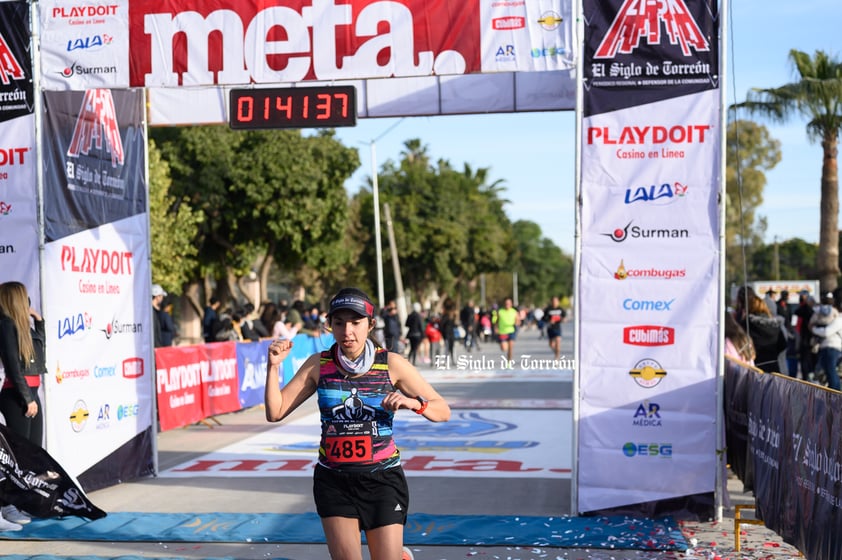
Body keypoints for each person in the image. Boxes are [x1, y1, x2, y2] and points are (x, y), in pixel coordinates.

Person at [264, 287, 450, 560]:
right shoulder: (319, 364)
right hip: (334, 481)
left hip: (383, 479)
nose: (347, 331)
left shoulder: (391, 364)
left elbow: (442, 410)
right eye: (339, 323)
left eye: (355, 323)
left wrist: (415, 403)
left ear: (370, 325)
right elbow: (275, 411)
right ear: (330, 325)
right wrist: (273, 367)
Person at [0, 282, 43, 530]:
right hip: (16, 396)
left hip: (30, 395)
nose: (28, 302)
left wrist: (40, 322)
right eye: (24, 298)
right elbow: (14, 368)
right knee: (14, 456)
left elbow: (41, 355)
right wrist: (26, 398)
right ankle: (9, 505)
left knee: (32, 451)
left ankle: (23, 500)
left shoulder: (20, 325)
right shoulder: (5, 323)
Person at [734, 286, 786, 373]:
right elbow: (783, 344)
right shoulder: (776, 325)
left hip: (756, 369)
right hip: (774, 369)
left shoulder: (747, 324)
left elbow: (740, 345)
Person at [809, 292, 842, 390]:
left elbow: (827, 332)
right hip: (827, 347)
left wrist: (814, 329)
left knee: (830, 372)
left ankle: (836, 394)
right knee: (825, 372)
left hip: (831, 347)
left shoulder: (839, 320)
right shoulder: (835, 315)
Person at [493, 297, 520, 366]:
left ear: (511, 304)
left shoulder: (514, 311)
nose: (507, 304)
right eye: (506, 303)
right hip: (502, 332)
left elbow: (518, 320)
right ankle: (504, 347)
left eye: (509, 303)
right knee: (504, 348)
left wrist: (517, 323)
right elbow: (496, 321)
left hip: (511, 331)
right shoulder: (500, 311)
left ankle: (509, 362)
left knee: (510, 348)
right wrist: (496, 328)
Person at [544, 296, 567, 360]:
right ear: (551, 302)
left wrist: (563, 319)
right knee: (551, 345)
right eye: (553, 301)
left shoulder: (560, 309)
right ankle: (556, 352)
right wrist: (549, 321)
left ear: (558, 302)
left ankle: (557, 357)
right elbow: (544, 318)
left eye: (556, 301)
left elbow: (564, 317)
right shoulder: (548, 309)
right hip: (550, 328)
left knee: (558, 341)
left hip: (557, 328)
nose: (554, 302)